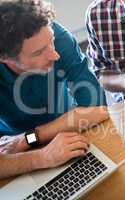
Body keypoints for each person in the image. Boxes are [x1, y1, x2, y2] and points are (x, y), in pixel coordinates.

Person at [0, 0, 108, 179]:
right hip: (11, 150)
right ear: (4, 58)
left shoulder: (58, 37)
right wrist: (41, 158)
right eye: (38, 52)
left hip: (64, 132)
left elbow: (97, 109)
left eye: (51, 41)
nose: (55, 55)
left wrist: (28, 138)